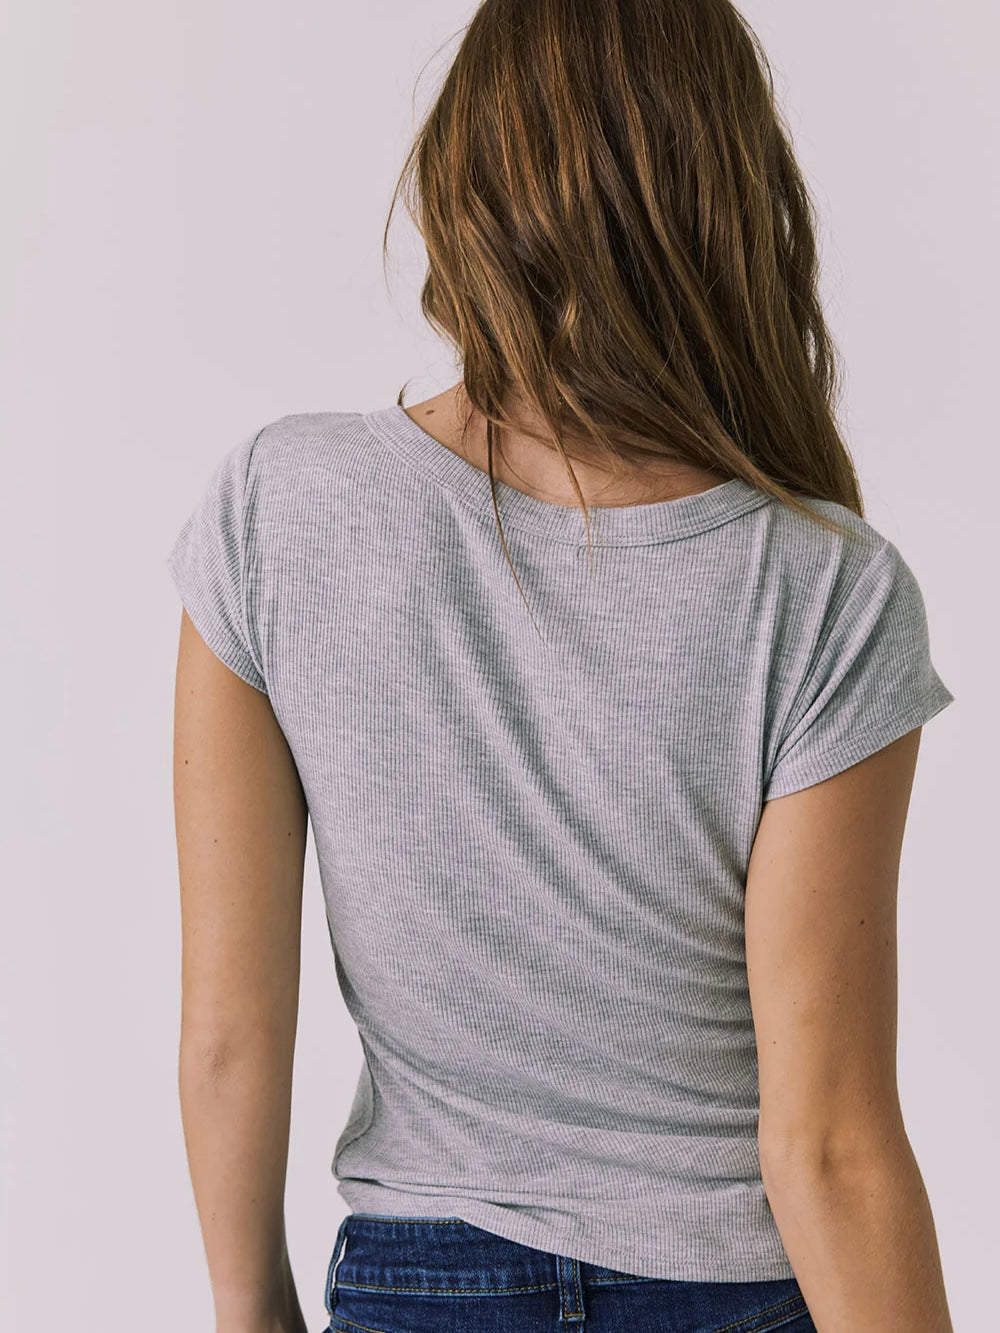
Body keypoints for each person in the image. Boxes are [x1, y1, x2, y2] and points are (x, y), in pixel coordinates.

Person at [166, 2, 957, 1331]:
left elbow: (228, 1032)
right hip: (734, 1292)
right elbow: (825, 1145)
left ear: (463, 178)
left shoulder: (277, 511)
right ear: (728, 196)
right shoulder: (824, 586)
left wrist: (255, 1314)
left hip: (422, 1287)